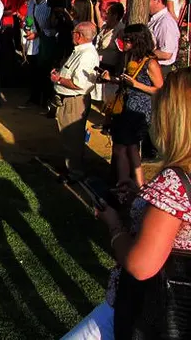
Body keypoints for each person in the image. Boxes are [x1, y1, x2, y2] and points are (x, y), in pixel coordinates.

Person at [63, 67, 191, 340]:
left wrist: (115, 227)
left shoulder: (175, 182)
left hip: (147, 310)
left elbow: (141, 265)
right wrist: (144, 200)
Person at [101, 24, 164, 187]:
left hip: (138, 110)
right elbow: (126, 81)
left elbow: (160, 89)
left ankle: (132, 183)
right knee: (125, 148)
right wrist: (112, 79)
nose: (124, 42)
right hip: (124, 106)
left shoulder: (150, 62)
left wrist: (136, 84)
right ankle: (130, 183)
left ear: (138, 40)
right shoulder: (129, 57)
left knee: (127, 148)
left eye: (128, 39)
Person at [50, 22, 100, 182]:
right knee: (69, 136)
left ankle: (75, 173)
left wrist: (58, 79)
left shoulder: (86, 55)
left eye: (73, 32)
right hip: (70, 99)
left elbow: (78, 84)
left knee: (73, 138)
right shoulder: (81, 51)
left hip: (75, 100)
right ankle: (71, 168)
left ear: (78, 35)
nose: (71, 34)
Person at [147, 0, 181, 77]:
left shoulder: (165, 23)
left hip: (160, 70)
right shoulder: (155, 19)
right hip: (153, 67)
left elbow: (166, 53)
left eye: (148, 0)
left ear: (158, 1)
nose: (144, 3)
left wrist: (144, 54)